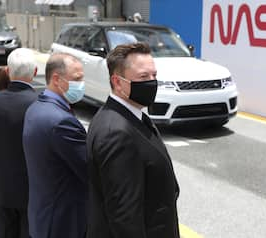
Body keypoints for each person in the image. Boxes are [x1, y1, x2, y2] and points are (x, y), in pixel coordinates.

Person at [86, 42, 180, 238]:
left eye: (154, 75)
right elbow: (125, 217)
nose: (152, 82)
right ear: (118, 82)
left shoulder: (132, 116)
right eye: (143, 77)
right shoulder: (116, 133)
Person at [23, 53, 88, 238]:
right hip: (62, 223)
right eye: (77, 79)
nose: (82, 84)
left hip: (44, 216)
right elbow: (89, 169)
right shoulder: (61, 122)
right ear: (57, 79)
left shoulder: (36, 108)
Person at [0, 48, 38, 238]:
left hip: (1, 188)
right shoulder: (42, 103)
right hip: (34, 190)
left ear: (7, 71)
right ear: (35, 72)